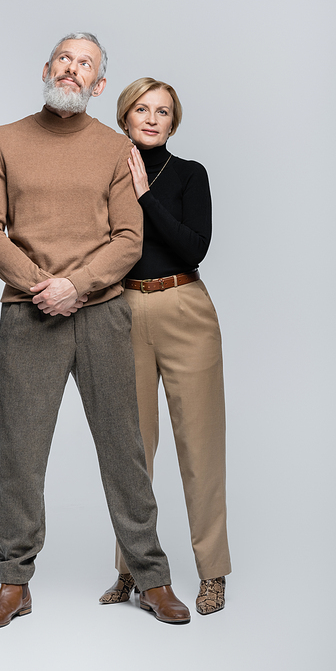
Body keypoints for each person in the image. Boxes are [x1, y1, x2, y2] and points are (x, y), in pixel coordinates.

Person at [0, 36, 190, 630]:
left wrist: (78, 287)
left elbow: (129, 238)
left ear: (97, 85)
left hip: (101, 314)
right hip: (27, 314)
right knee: (19, 452)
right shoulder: (4, 141)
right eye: (64, 59)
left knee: (123, 448)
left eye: (85, 64)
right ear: (47, 70)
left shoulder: (117, 149)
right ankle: (14, 582)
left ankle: (152, 577)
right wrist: (43, 284)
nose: (72, 68)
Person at [99, 78, 231, 615]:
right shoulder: (105, 175)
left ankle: (213, 573)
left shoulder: (188, 174)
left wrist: (145, 197)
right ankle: (132, 572)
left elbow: (193, 245)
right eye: (141, 109)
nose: (151, 119)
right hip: (121, 311)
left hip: (184, 308)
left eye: (163, 112)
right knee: (133, 452)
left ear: (172, 123)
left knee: (200, 449)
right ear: (124, 116)